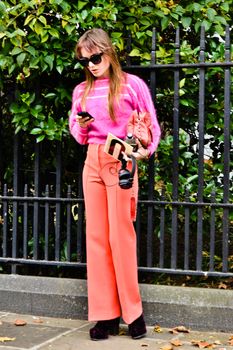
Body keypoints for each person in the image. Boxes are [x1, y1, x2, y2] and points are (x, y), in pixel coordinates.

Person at [69, 28, 161, 341]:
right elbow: (77, 134)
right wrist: (80, 125)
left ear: (109, 53)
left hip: (121, 159)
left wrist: (143, 151)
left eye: (96, 57)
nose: (92, 64)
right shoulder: (81, 90)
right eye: (85, 60)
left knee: (121, 236)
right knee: (95, 239)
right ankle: (104, 316)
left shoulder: (132, 85)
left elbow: (152, 125)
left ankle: (133, 314)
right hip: (92, 161)